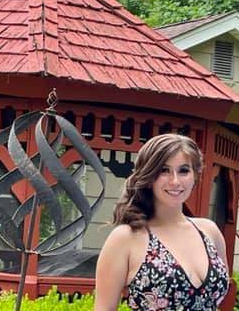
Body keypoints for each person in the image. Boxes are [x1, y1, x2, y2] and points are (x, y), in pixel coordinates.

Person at [94, 133, 229, 311]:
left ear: (195, 175)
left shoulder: (209, 231)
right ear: (149, 177)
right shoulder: (126, 238)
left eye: (183, 170)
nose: (175, 181)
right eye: (164, 170)